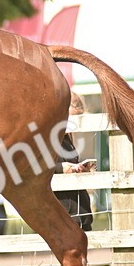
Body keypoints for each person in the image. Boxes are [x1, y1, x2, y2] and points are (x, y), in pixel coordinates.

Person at [56, 92, 96, 231]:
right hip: (63, 211)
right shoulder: (47, 138)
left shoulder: (67, 140)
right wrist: (62, 168)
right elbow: (36, 166)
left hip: (78, 209)